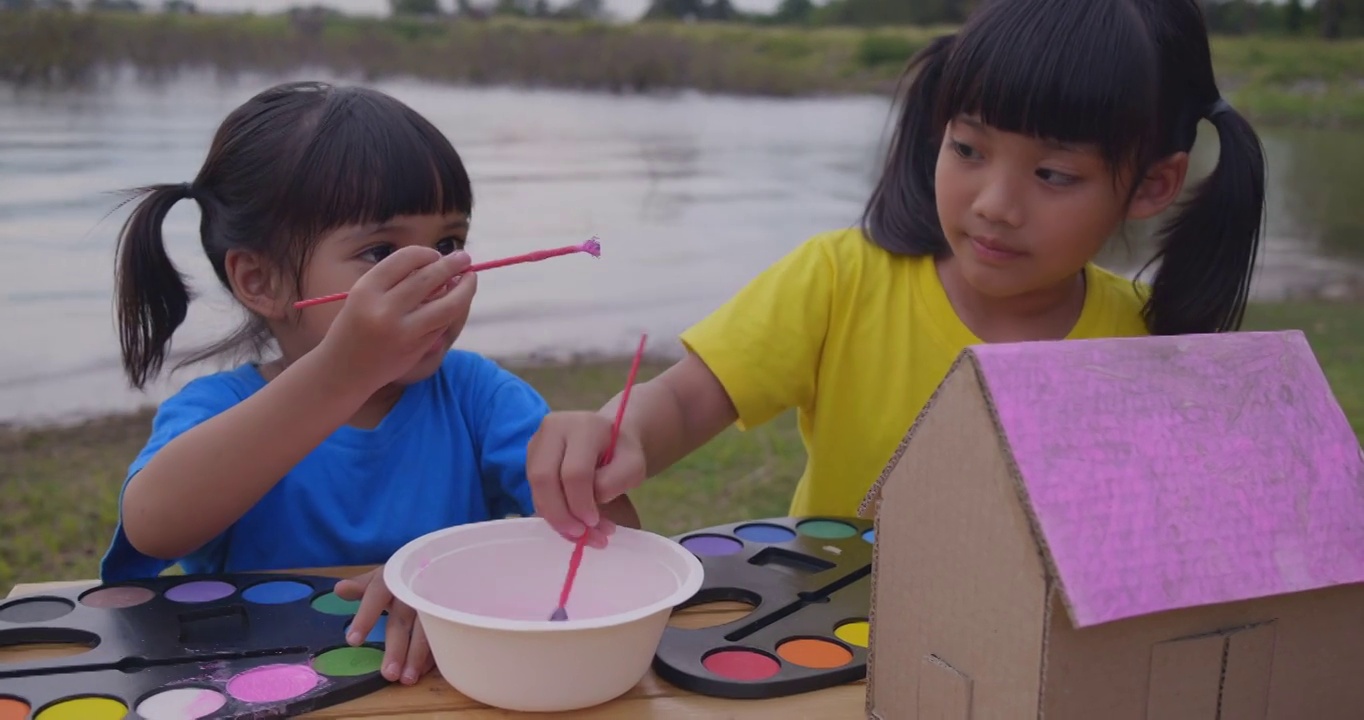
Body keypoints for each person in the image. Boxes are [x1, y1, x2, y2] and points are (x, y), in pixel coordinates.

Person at [525, 0, 1266, 541]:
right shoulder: (841, 280)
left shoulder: (1150, 344)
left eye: (1052, 174)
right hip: (826, 645)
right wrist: (621, 435)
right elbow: (688, 400)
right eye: (968, 150)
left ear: (1151, 186)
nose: (995, 205)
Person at [98, 81, 639, 687]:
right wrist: (343, 371)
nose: (435, 276)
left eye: (449, 243)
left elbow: (616, 545)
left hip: (449, 689)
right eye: (381, 251)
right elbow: (154, 524)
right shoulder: (223, 410)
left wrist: (585, 466)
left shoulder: (478, 398)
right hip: (264, 688)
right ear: (261, 281)